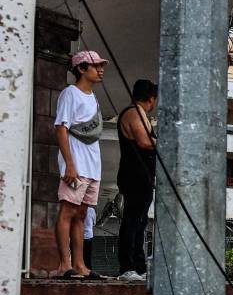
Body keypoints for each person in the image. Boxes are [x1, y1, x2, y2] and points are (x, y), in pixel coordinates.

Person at [54, 50, 106, 279]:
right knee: (68, 211)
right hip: (76, 163)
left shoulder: (93, 97)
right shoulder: (70, 94)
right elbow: (61, 128)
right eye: (95, 66)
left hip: (93, 163)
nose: (101, 69)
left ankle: (80, 264)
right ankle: (64, 264)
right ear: (82, 69)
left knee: (82, 214)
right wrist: (69, 165)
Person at [116, 79, 157, 281]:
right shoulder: (135, 113)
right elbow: (144, 142)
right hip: (134, 175)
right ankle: (127, 266)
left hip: (143, 176)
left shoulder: (140, 114)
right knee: (132, 221)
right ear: (151, 98)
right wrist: (168, 142)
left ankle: (139, 267)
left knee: (140, 222)